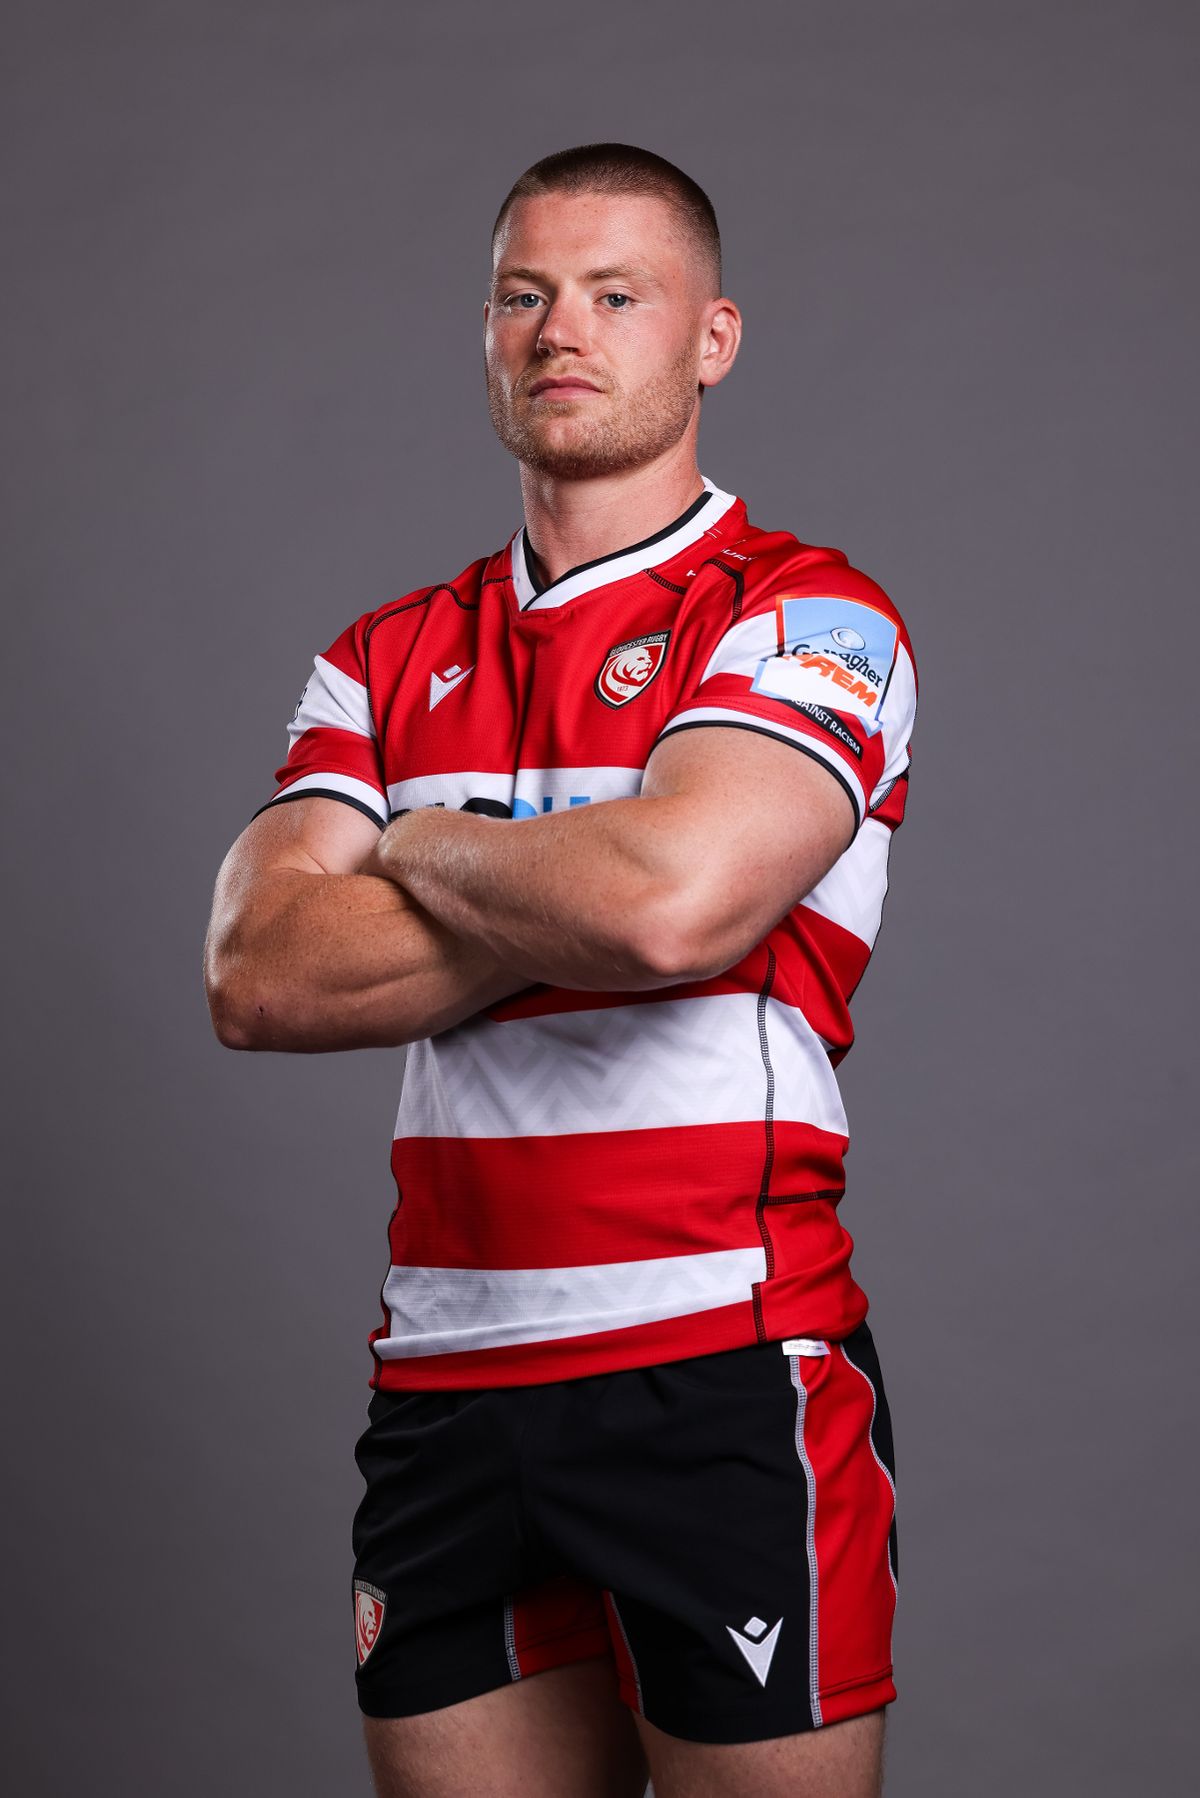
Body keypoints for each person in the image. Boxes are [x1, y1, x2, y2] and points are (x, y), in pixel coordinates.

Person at [204, 143, 918, 1798]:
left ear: (710, 338)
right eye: (525, 295)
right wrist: (572, 872)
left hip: (718, 1361)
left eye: (615, 294)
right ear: (485, 329)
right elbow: (257, 973)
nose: (560, 331)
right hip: (446, 1383)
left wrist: (415, 838)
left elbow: (671, 908)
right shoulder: (382, 652)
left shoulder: (807, 615)